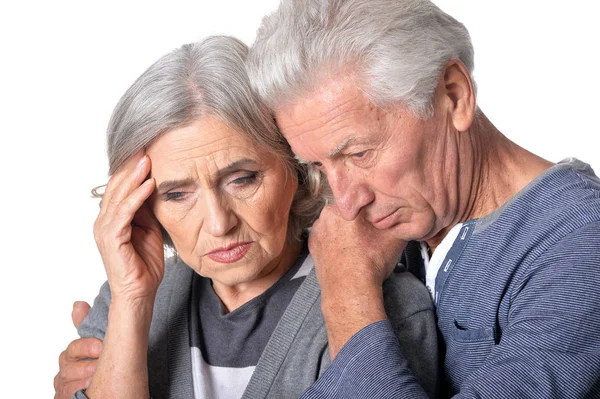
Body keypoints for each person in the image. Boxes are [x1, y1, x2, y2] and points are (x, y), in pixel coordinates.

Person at [245, 0, 600, 397]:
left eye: (360, 153)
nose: (345, 204)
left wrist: (348, 292)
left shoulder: (581, 246)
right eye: (318, 166)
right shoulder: (405, 219)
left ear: (454, 94)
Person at [53, 35, 440, 399]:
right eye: (176, 194)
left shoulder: (380, 306)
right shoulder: (125, 299)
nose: (220, 224)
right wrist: (131, 303)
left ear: (298, 169)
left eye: (242, 179)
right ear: (140, 207)